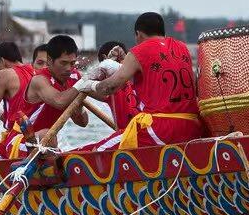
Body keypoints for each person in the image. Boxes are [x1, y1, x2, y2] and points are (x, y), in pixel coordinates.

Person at [76, 12, 204, 151]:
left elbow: (110, 88)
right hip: (194, 127)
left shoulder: (138, 51)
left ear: (138, 34)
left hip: (161, 129)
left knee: (96, 150)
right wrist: (125, 61)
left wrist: (88, 84)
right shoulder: (182, 47)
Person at [96, 40, 138, 129]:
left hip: (130, 136)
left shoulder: (108, 83)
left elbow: (85, 85)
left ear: (105, 58)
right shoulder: (140, 75)